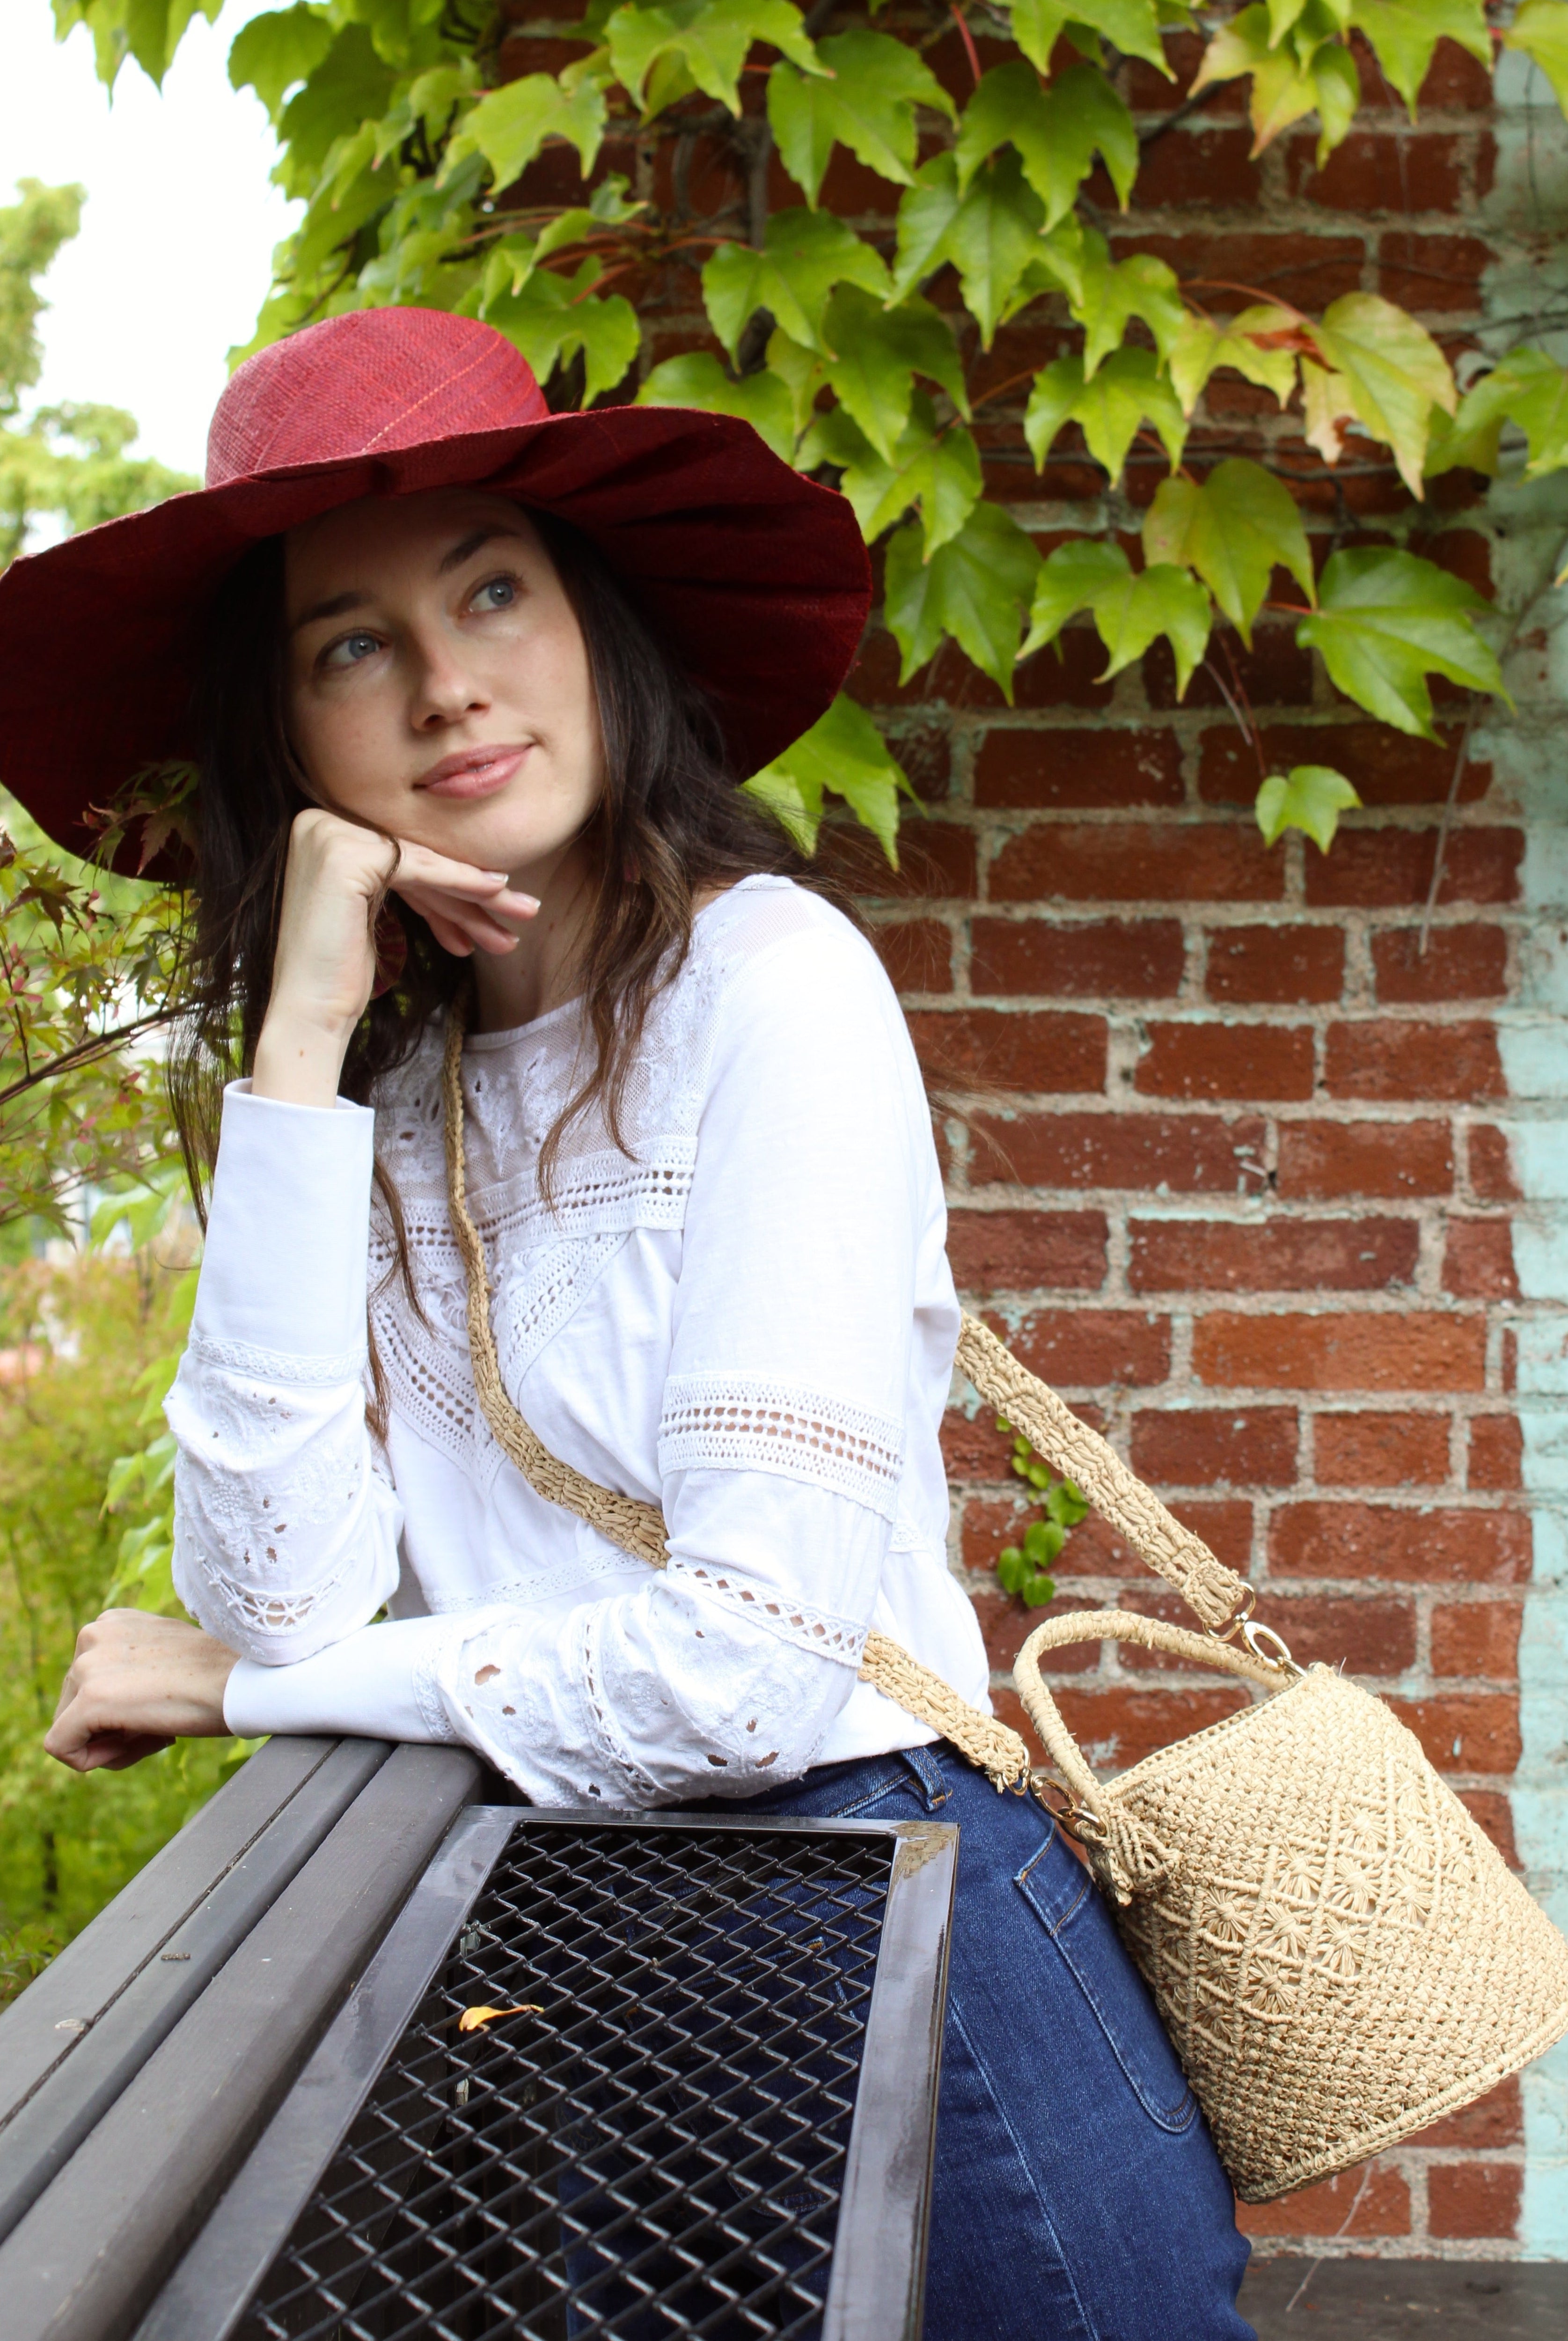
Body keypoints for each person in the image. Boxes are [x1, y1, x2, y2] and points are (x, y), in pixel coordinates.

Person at [11, 308, 1252, 2337]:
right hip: (588, 1983)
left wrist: (229, 1698)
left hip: (898, 1951)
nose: (442, 685)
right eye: (350, 645)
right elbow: (281, 1587)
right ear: (291, 741)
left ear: (589, 626)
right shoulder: (379, 1119)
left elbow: (748, 1678)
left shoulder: (773, 991)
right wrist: (305, 1043)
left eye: (490, 588)